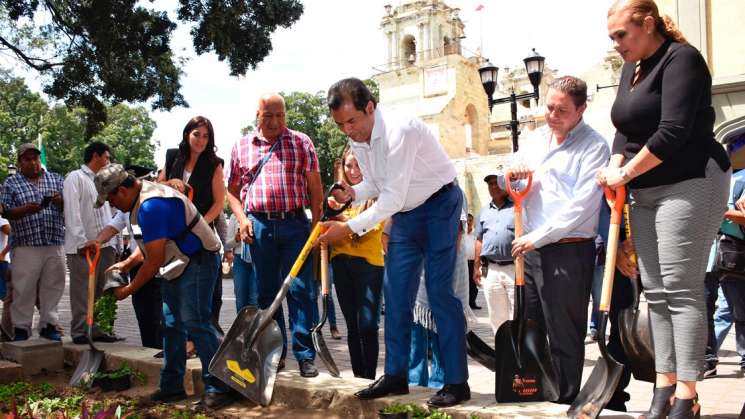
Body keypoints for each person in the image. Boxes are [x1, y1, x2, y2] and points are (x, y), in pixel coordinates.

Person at [600, 1, 731, 417]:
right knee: (654, 292)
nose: (616, 44)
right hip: (647, 190)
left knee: (680, 288)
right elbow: (626, 130)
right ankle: (664, 386)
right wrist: (615, 165)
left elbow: (672, 131)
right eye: (611, 37)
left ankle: (687, 395)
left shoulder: (682, 59)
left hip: (691, 180)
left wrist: (625, 174)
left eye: (622, 35)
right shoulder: (630, 69)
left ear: (649, 24)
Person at [322, 78, 469, 407]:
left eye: (352, 121)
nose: (348, 130)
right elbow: (376, 183)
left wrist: (347, 229)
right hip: (406, 213)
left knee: (439, 291)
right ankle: (395, 376)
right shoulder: (360, 138)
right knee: (396, 292)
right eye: (341, 124)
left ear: (370, 107)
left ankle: (457, 383)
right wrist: (352, 193)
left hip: (440, 206)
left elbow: (391, 197)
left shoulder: (399, 130)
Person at [95, 163, 234, 409]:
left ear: (122, 191)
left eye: (111, 200)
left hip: (198, 259)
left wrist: (127, 290)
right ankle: (172, 387)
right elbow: (149, 245)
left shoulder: (151, 205)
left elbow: (154, 260)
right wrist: (126, 264)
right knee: (171, 325)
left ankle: (219, 387)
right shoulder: (139, 202)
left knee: (196, 322)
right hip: (177, 261)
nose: (112, 206)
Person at [508, 76, 610, 403]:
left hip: (567, 251)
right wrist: (511, 172)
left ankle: (564, 399)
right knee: (531, 326)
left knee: (564, 333)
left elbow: (580, 207)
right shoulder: (534, 138)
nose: (552, 115)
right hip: (532, 251)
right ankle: (536, 394)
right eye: (549, 107)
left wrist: (537, 237)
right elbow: (506, 173)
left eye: (562, 110)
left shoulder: (594, 147)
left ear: (581, 109)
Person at [226, 93, 323, 377]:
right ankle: (275, 354)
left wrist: (316, 228)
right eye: (269, 115)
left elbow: (315, 189)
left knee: (301, 291)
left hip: (295, 226)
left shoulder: (301, 142)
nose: (275, 121)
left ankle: (305, 356)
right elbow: (232, 192)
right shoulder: (241, 146)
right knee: (268, 294)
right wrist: (242, 219)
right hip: (259, 227)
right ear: (257, 115)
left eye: (280, 115)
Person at [159, 116, 225, 339]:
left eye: (206, 136)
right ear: (187, 134)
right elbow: (156, 188)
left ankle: (197, 342)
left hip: (200, 237)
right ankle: (178, 341)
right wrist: (169, 184)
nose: (201, 140)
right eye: (197, 134)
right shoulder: (171, 157)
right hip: (172, 236)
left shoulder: (215, 164)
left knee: (199, 294)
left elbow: (219, 203)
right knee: (173, 291)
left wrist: (200, 224)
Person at [329, 146, 384, 379]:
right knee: (352, 324)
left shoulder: (377, 193)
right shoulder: (337, 195)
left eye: (358, 165)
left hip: (369, 264)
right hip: (341, 262)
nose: (353, 171)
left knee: (368, 325)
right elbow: (329, 227)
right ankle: (358, 378)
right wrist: (342, 223)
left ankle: (370, 376)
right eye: (348, 166)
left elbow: (369, 227)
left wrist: (342, 221)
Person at [2, 143, 66, 341]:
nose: (33, 163)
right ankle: (21, 328)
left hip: (54, 241)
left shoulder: (56, 178)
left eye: (35, 158)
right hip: (25, 243)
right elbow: (5, 211)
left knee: (53, 285)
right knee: (24, 288)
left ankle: (48, 325)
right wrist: (25, 210)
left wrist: (59, 201)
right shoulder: (11, 183)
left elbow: (69, 206)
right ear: (20, 162)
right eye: (28, 159)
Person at [63, 141, 123, 344]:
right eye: (106, 157)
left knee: (102, 289)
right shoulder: (75, 178)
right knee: (82, 290)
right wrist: (82, 241)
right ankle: (80, 330)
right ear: (95, 156)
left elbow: (114, 212)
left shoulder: (105, 180)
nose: (108, 161)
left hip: (104, 245)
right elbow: (72, 212)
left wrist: (116, 242)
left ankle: (99, 329)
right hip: (83, 247)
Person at [473, 173, 515, 335]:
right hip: (491, 269)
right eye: (490, 184)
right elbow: (479, 240)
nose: (494, 187)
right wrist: (476, 267)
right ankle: (503, 352)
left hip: (514, 268)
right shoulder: (484, 212)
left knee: (516, 312)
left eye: (497, 183)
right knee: (496, 316)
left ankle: (518, 353)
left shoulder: (517, 207)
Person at [464, 213, 480, 310]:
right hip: (463, 262)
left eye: (470, 220)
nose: (469, 222)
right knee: (465, 282)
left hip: (473, 262)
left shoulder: (476, 234)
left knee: (473, 283)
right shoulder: (461, 233)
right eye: (467, 220)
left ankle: (472, 302)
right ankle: (464, 303)